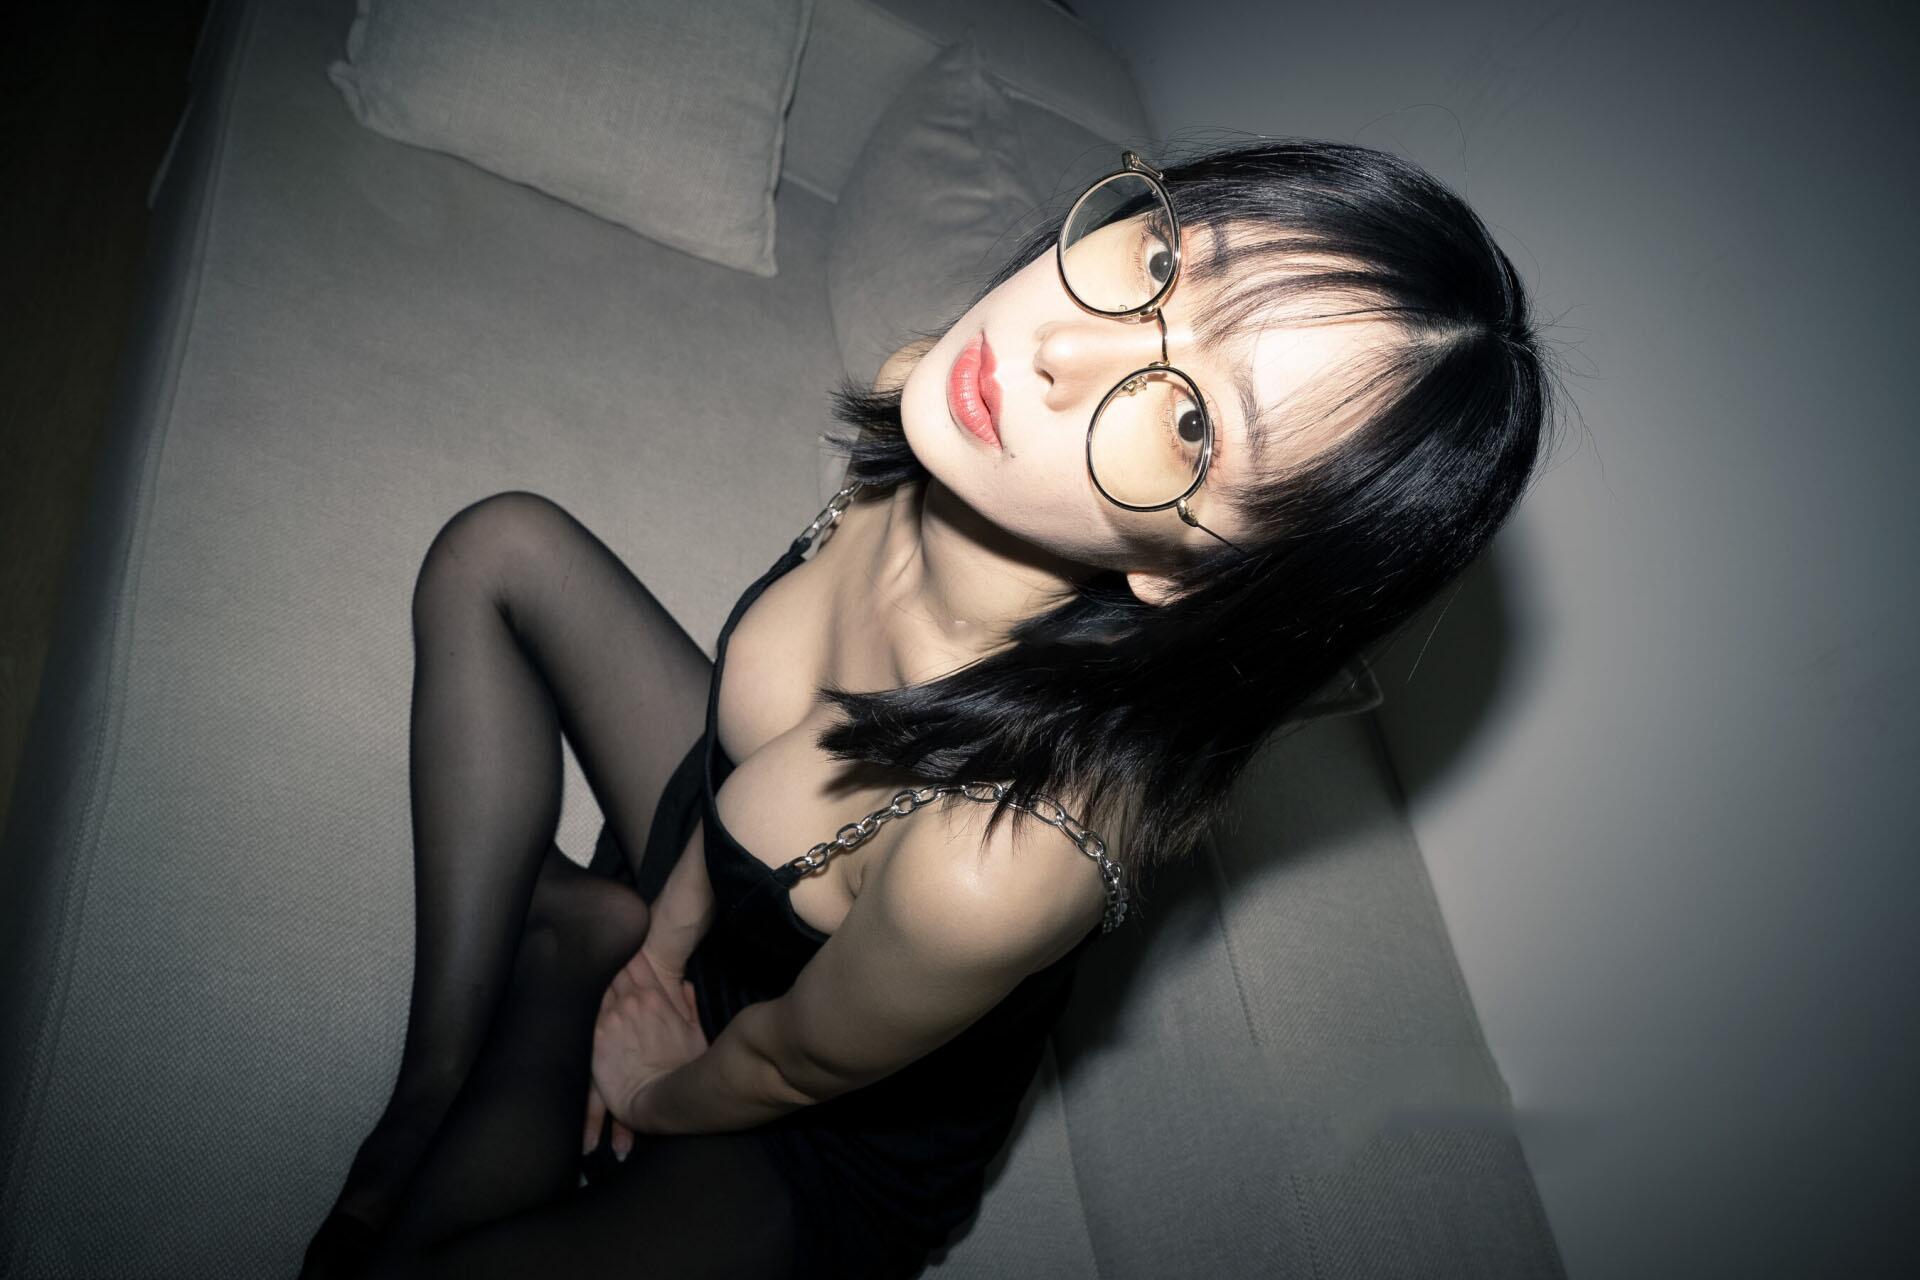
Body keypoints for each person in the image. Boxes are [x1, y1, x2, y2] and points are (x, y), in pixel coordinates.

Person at [298, 138, 1564, 1279]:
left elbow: (791, 1058)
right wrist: (659, 946)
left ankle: (565, 941)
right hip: (723, 857)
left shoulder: (1005, 857)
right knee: (499, 545)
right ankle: (439, 1076)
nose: (1062, 348)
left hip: (804, 1116)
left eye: (1189, 422)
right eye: (1164, 259)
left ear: (1195, 573)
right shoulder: (943, 405)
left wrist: (652, 1082)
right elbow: (740, 764)